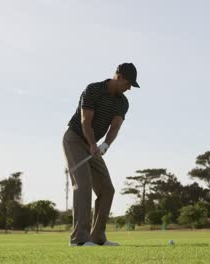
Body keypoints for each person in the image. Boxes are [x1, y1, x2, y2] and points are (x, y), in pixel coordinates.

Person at [63, 63, 140, 246]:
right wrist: (92, 144)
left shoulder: (122, 102)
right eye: (128, 83)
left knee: (107, 190)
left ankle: (97, 237)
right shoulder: (94, 89)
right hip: (75, 139)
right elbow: (85, 121)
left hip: (93, 146)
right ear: (119, 77)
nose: (129, 88)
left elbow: (115, 126)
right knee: (83, 184)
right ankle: (79, 240)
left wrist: (106, 144)